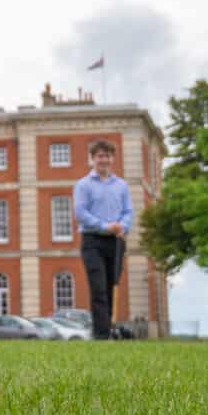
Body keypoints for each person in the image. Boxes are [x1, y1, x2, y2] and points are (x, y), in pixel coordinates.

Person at [73, 139, 134, 340]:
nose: (104, 160)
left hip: (116, 241)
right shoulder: (83, 185)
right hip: (93, 241)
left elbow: (128, 211)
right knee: (98, 287)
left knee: (111, 286)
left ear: (112, 159)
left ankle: (109, 329)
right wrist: (104, 226)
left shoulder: (122, 185)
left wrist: (122, 226)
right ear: (92, 159)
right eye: (100, 156)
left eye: (107, 156)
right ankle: (101, 334)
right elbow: (81, 212)